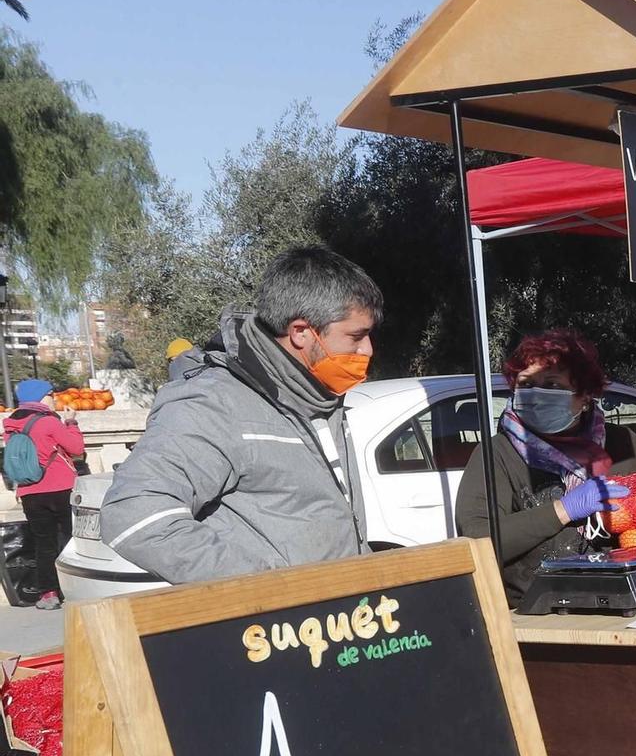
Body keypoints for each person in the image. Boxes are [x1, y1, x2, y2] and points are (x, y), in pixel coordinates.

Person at [101, 246, 379, 584]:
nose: (367, 350)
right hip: (271, 630)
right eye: (356, 336)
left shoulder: (318, 396)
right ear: (301, 332)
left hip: (337, 623)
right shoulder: (214, 404)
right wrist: (265, 589)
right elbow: (133, 514)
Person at [456, 329, 636, 604]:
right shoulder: (497, 453)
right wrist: (562, 510)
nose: (537, 395)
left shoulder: (622, 445)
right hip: (534, 616)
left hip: (624, 605)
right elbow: (476, 540)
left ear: (584, 395)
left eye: (551, 385)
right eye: (526, 384)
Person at [3, 379, 85, 609]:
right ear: (40, 397)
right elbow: (77, 449)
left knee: (44, 544)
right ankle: (76, 588)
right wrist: (71, 423)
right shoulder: (49, 422)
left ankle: (48, 594)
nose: (55, 398)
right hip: (61, 488)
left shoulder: (10, 426)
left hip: (30, 491)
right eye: (51, 394)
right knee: (73, 540)